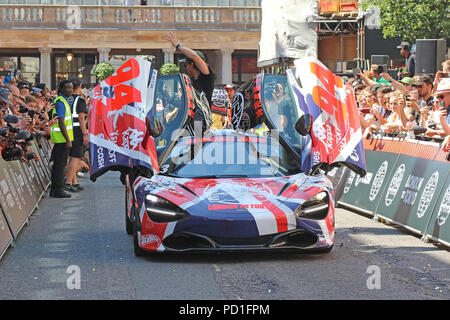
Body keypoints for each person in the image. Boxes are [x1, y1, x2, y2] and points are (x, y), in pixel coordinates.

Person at [49, 80, 74, 198]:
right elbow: (61, 123)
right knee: (60, 165)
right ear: (62, 89)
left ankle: (55, 189)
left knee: (59, 165)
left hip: (62, 139)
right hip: (61, 139)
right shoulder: (60, 102)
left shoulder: (63, 101)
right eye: (68, 88)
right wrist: (68, 140)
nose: (70, 90)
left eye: (71, 88)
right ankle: (58, 189)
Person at [65, 78, 89, 193]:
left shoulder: (66, 98)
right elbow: (80, 117)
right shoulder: (80, 100)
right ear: (79, 86)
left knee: (70, 156)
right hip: (76, 129)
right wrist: (85, 133)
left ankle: (74, 181)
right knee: (76, 157)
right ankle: (68, 182)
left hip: (66, 129)